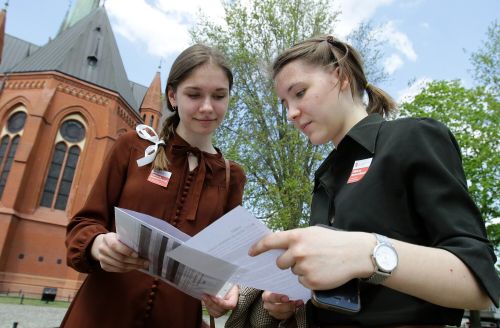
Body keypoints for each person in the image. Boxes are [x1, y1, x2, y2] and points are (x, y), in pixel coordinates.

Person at [245, 35, 499, 327]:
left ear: (339, 77)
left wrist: (366, 253)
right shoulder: (326, 175)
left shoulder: (412, 137)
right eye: (284, 103)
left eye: (300, 93)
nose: (291, 113)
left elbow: (480, 285)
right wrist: (295, 300)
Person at [61, 44, 246, 327]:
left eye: (219, 96)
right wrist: (98, 244)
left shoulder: (232, 177)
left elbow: (228, 263)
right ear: (172, 96)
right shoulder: (133, 147)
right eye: (194, 94)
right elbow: (84, 223)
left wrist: (228, 293)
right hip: (102, 314)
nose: (207, 107)